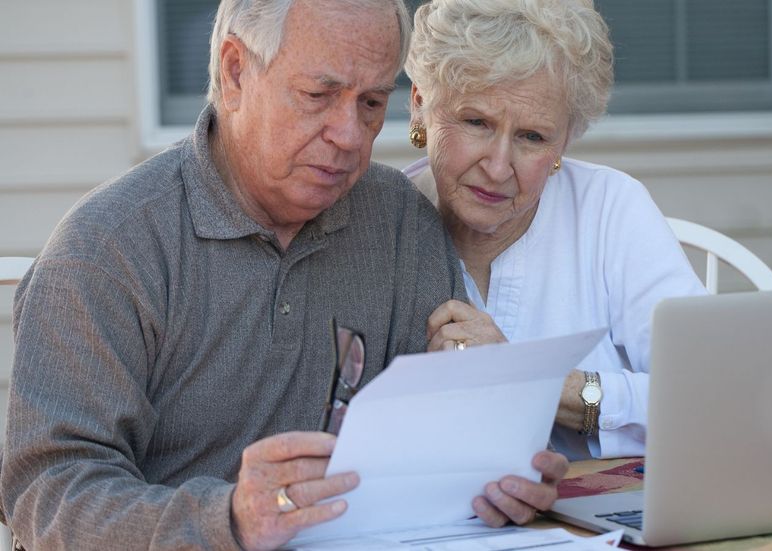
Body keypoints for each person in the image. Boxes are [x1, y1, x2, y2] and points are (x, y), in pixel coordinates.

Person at [0, 1, 567, 549]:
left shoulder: (399, 224)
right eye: (318, 95)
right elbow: (46, 495)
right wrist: (230, 520)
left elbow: (433, 448)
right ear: (236, 72)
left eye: (371, 103)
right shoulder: (107, 250)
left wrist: (494, 474)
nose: (348, 134)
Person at [404, 0, 707, 461]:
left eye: (532, 137)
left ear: (564, 142)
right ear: (422, 106)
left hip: (606, 516)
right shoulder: (380, 228)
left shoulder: (609, 209)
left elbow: (712, 390)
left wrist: (533, 382)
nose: (499, 166)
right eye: (476, 122)